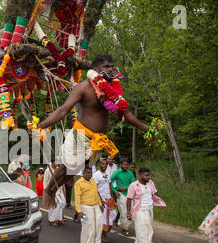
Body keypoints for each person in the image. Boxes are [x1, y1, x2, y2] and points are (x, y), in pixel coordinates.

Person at [37, 54, 148, 209]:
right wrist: (42, 125)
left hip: (97, 140)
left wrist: (146, 129)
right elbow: (63, 110)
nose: (110, 69)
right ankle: (49, 191)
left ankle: (54, 190)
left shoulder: (112, 91)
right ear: (96, 69)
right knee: (66, 166)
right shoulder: (83, 87)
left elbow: (126, 113)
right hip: (80, 135)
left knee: (74, 170)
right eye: (106, 66)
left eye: (112, 66)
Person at [126, 168, 166, 243]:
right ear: (140, 176)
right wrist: (128, 212)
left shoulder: (151, 183)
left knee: (148, 229)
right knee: (143, 230)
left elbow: (155, 194)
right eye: (146, 175)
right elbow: (129, 199)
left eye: (148, 175)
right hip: (139, 211)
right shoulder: (133, 185)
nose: (148, 177)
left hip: (149, 210)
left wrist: (161, 203)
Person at [74, 166, 106, 243]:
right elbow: (77, 198)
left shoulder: (93, 180)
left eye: (90, 172)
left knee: (99, 224)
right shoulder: (78, 183)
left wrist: (100, 204)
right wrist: (79, 211)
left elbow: (96, 193)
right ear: (83, 173)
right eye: (87, 172)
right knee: (87, 225)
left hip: (95, 205)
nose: (89, 174)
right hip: (85, 207)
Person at [93, 158, 117, 243]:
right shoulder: (96, 175)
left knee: (113, 214)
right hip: (101, 199)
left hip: (108, 198)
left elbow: (109, 186)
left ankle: (103, 232)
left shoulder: (107, 174)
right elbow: (95, 188)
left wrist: (112, 198)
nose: (104, 165)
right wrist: (100, 200)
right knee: (104, 218)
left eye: (106, 164)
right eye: (103, 164)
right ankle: (102, 234)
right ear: (100, 164)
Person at [110, 157, 136, 236]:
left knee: (130, 211)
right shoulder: (117, 172)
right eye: (124, 165)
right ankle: (124, 229)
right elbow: (109, 181)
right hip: (120, 194)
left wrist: (126, 188)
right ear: (120, 165)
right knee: (123, 211)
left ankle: (121, 223)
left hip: (129, 194)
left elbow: (133, 184)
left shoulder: (130, 173)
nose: (125, 166)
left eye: (126, 165)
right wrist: (115, 191)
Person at [43, 160, 66, 226]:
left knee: (60, 205)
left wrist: (62, 187)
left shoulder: (58, 170)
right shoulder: (48, 171)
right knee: (53, 206)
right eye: (56, 162)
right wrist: (47, 191)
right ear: (52, 162)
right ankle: (52, 220)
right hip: (51, 191)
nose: (57, 163)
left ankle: (59, 219)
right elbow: (45, 181)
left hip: (59, 190)